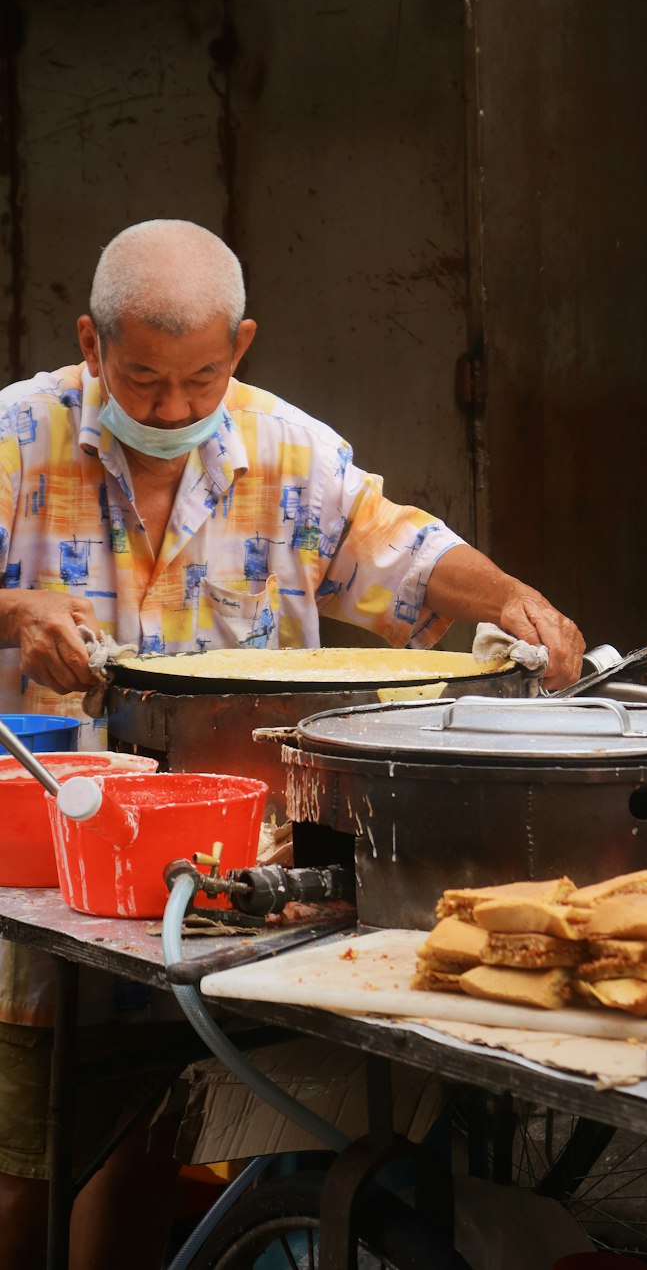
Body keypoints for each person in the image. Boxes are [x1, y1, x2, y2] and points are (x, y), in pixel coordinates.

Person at [0, 218, 585, 1269]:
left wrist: (511, 597)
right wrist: (14, 613)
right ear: (90, 345)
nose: (173, 409)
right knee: (22, 1163)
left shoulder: (288, 449)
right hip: (47, 856)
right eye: (141, 381)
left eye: (201, 380)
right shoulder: (16, 437)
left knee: (149, 1125)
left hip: (234, 864)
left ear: (243, 345)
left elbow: (399, 553)